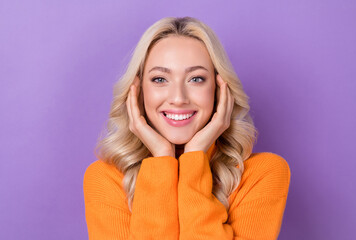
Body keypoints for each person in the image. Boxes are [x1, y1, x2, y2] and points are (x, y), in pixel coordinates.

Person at [83, 17, 290, 240]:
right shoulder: (105, 180)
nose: (179, 98)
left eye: (196, 79)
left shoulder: (262, 174)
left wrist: (195, 159)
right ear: (138, 91)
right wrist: (162, 159)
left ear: (220, 91)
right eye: (160, 79)